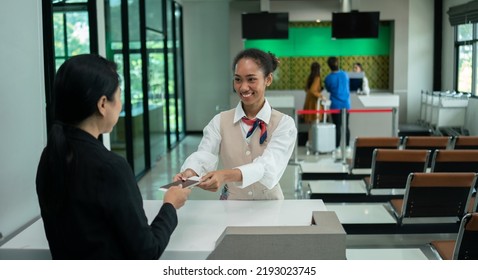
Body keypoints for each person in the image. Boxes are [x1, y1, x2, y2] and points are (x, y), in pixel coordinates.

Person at [36, 54, 191, 260]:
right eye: (119, 96)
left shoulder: (50, 156)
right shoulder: (110, 167)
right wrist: (170, 205)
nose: (120, 104)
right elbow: (146, 251)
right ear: (102, 104)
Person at [173, 48, 297, 200]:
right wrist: (190, 173)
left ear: (268, 79)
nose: (243, 87)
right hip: (231, 205)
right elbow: (205, 154)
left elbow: (269, 167)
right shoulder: (220, 121)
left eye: (251, 79)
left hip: (270, 205)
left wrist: (225, 175)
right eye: (238, 79)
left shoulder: (284, 124)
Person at [324, 56, 351, 156]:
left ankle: (337, 147)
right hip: (346, 105)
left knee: (337, 127)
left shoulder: (328, 78)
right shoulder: (345, 75)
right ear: (337, 63)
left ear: (329, 66)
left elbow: (328, 89)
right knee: (346, 126)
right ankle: (348, 146)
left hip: (335, 105)